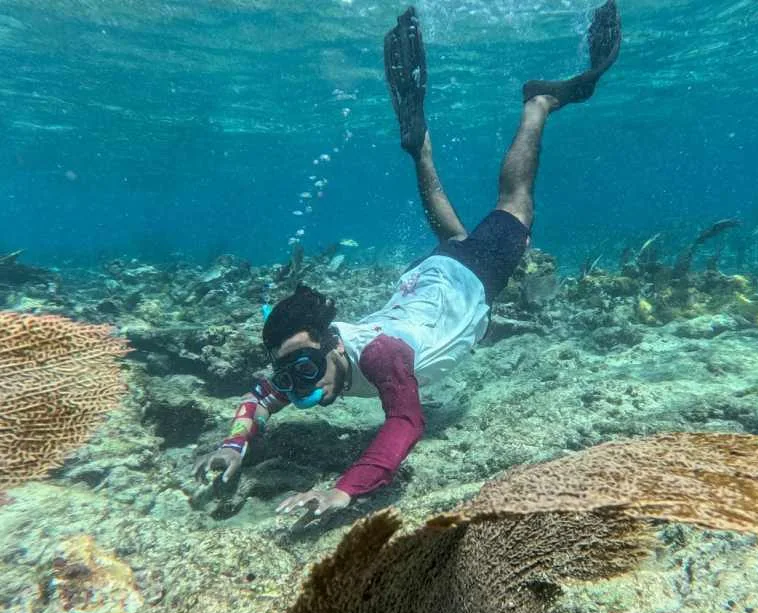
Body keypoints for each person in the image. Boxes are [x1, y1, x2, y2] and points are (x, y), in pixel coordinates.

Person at [194, 1, 622, 521]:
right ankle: (420, 151)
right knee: (457, 236)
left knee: (515, 206)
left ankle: (538, 104)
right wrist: (233, 447)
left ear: (332, 343)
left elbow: (404, 422)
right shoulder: (306, 366)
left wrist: (344, 490)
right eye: (291, 375)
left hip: (465, 278)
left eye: (305, 370)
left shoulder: (380, 358)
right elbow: (257, 399)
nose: (301, 386)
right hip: (432, 282)